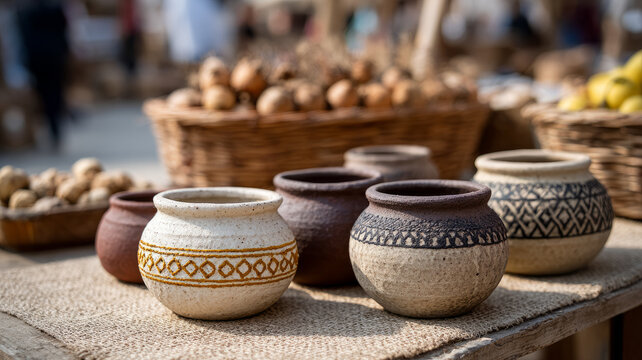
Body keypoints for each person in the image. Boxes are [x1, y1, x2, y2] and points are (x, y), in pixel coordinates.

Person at [16, 0, 69, 148]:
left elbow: (24, 36)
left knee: (43, 96)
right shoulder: (55, 7)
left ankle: (48, 129)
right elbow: (64, 31)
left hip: (37, 59)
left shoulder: (26, 10)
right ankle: (54, 129)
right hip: (54, 58)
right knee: (54, 95)